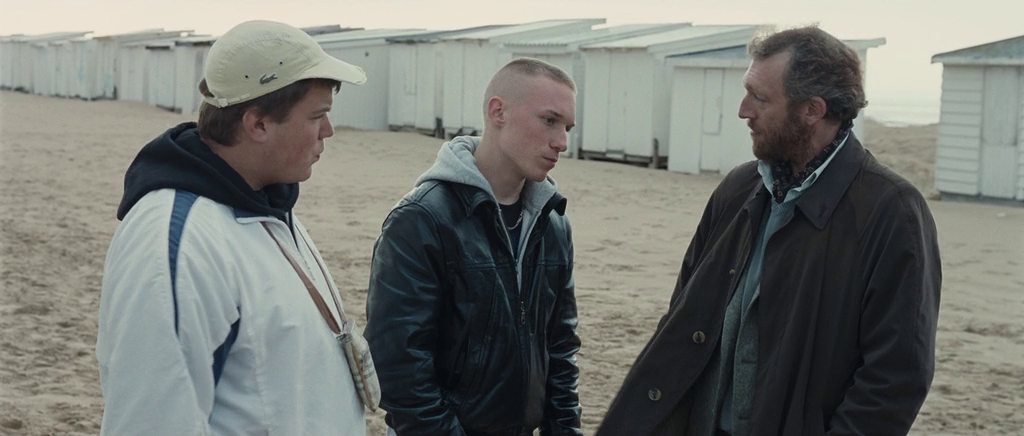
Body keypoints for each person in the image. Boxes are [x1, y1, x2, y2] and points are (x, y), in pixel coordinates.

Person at [597, 26, 942, 436]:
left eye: (759, 98)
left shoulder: (892, 212)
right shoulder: (738, 189)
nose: (743, 110)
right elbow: (681, 320)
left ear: (812, 110)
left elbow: (895, 379)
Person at [95, 20, 370, 435]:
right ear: (257, 124)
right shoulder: (177, 242)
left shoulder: (267, 204)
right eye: (318, 116)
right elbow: (151, 420)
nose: (328, 131)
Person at [364, 58, 583, 436]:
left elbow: (560, 351)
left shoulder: (552, 223)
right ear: (498, 112)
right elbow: (399, 368)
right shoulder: (422, 220)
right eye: (549, 120)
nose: (561, 142)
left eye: (567, 127)